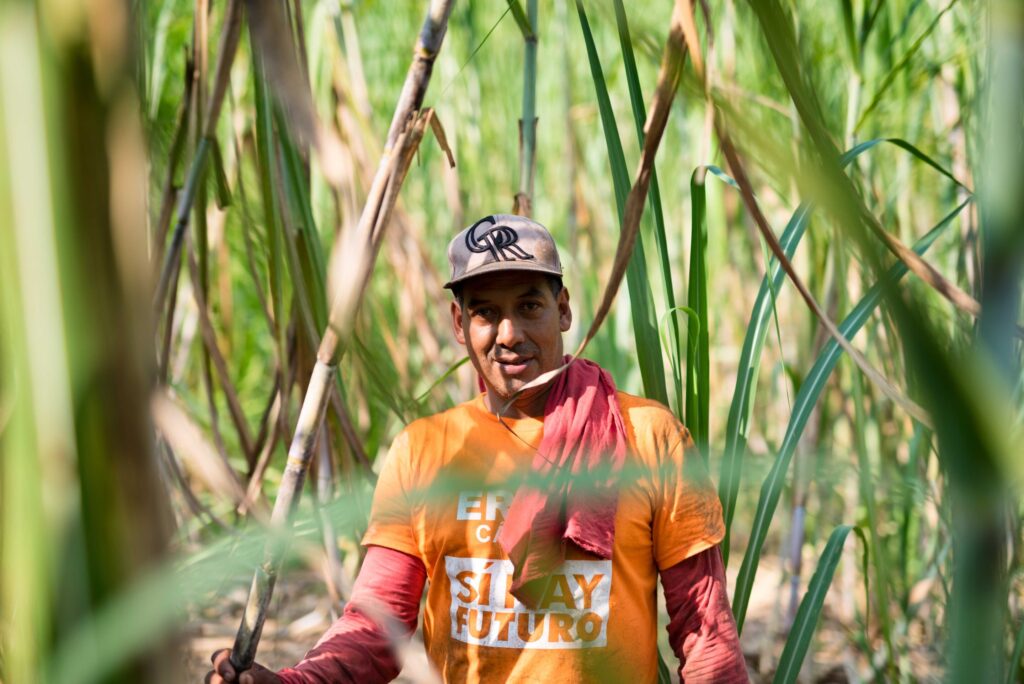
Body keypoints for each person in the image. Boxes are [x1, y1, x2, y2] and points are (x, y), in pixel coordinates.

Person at [207, 215, 747, 683]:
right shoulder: (425, 451)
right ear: (460, 324)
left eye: (530, 305)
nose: (508, 333)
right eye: (486, 313)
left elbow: (703, 626)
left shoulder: (648, 437)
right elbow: (377, 628)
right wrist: (293, 683)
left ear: (563, 310)